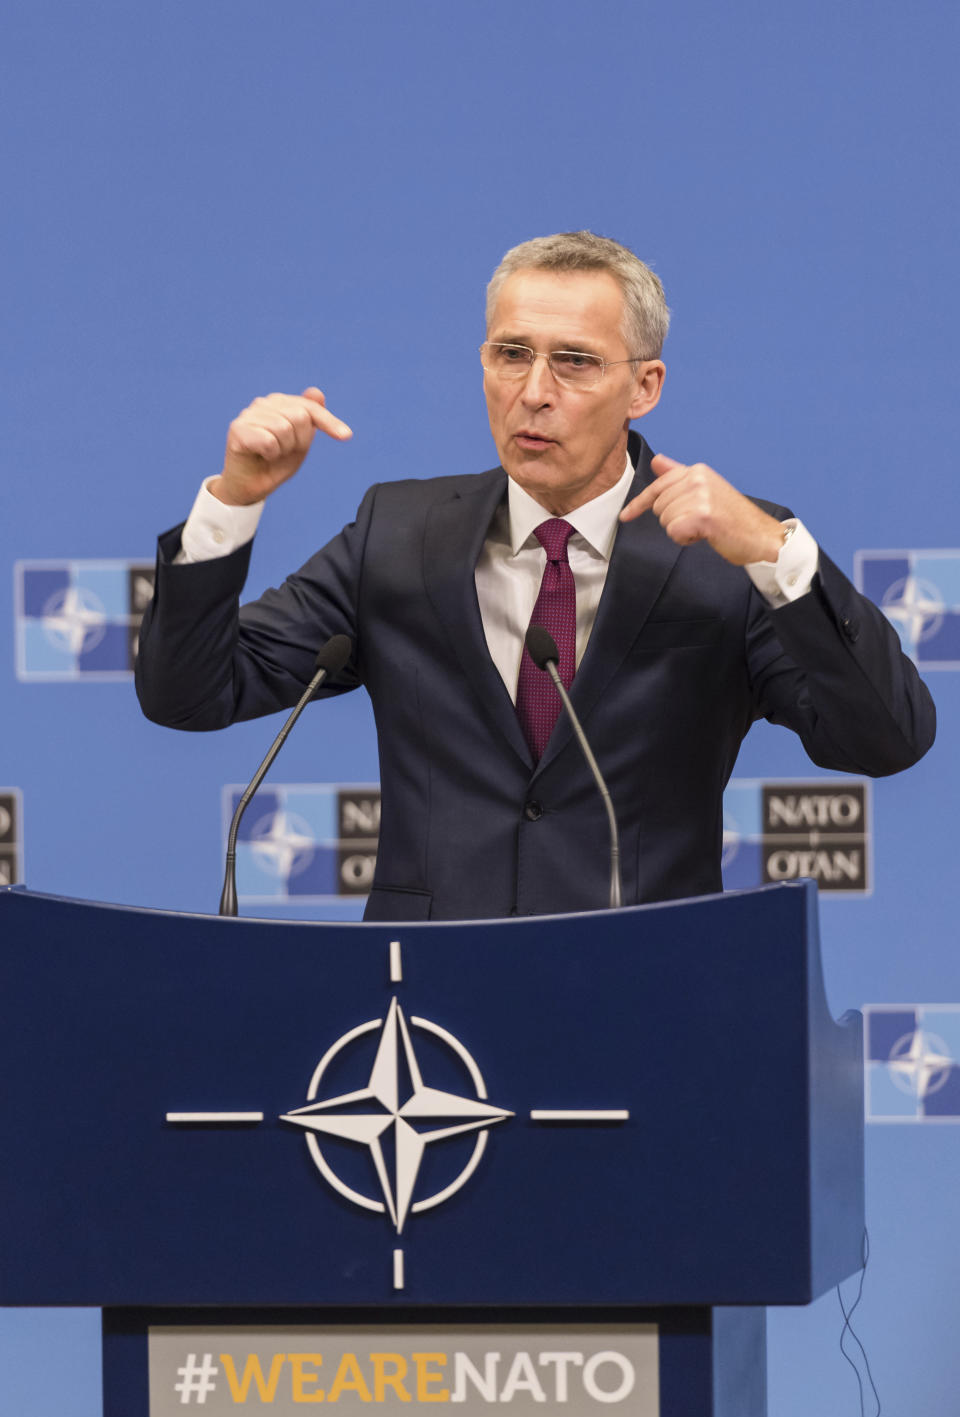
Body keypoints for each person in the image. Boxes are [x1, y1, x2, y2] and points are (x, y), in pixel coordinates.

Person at [135, 231, 935, 920]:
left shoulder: (723, 556)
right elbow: (191, 694)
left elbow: (886, 738)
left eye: (575, 363)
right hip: (426, 1010)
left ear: (644, 387)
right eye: (511, 355)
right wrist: (234, 500)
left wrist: (773, 554)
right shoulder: (399, 534)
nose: (533, 393)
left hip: (647, 998)